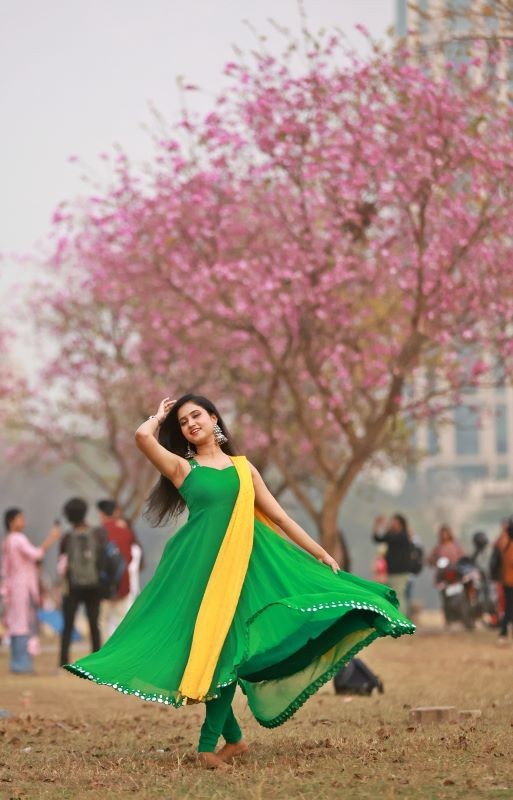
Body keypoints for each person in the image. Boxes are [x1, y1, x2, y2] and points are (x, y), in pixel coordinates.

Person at [63, 394, 415, 770]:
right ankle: (232, 740)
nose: (190, 424)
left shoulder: (244, 470)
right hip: (194, 571)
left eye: (196, 415)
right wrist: (158, 416)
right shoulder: (184, 469)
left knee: (225, 653)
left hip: (238, 574)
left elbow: (279, 517)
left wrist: (319, 552)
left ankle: (209, 745)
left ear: (214, 417)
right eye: (182, 422)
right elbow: (142, 438)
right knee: (202, 654)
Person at [1, 508, 60, 673]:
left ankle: (18, 662)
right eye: (20, 519)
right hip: (22, 587)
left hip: (13, 588)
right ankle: (22, 664)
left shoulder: (7, 541)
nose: (23, 522)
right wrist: (52, 537)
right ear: (11, 521)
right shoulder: (18, 539)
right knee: (23, 624)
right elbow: (37, 554)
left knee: (16, 623)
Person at [58, 498, 105, 666]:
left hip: (72, 586)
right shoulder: (98, 534)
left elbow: (62, 565)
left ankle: (63, 660)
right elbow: (101, 560)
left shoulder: (66, 538)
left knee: (68, 625)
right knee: (94, 623)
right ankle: (97, 660)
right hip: (94, 585)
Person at [96, 500, 141, 639]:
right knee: (122, 620)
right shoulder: (126, 532)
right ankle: (119, 654)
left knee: (103, 621)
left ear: (101, 514)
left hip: (103, 587)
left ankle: (104, 654)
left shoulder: (97, 533)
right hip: (123, 584)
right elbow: (130, 557)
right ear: (115, 512)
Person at [372, 514, 412, 612]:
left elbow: (392, 538)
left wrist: (385, 526)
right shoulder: (391, 535)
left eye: (395, 522)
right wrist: (376, 526)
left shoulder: (403, 536)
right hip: (390, 572)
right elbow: (378, 539)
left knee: (399, 596)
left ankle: (401, 618)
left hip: (400, 573)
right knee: (390, 596)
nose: (393, 524)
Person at [494, 517, 513, 645]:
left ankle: (504, 633)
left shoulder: (504, 539)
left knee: (509, 608)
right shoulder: (506, 540)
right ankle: (503, 633)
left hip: (507, 579)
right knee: (509, 608)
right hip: (509, 579)